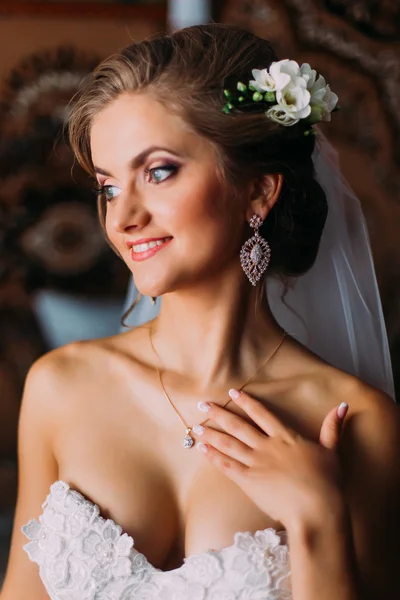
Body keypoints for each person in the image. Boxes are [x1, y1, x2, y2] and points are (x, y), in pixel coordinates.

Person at [1, 24, 399, 600]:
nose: (123, 217)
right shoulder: (60, 388)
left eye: (158, 172)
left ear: (258, 192)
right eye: (109, 187)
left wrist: (317, 519)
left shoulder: (354, 421)